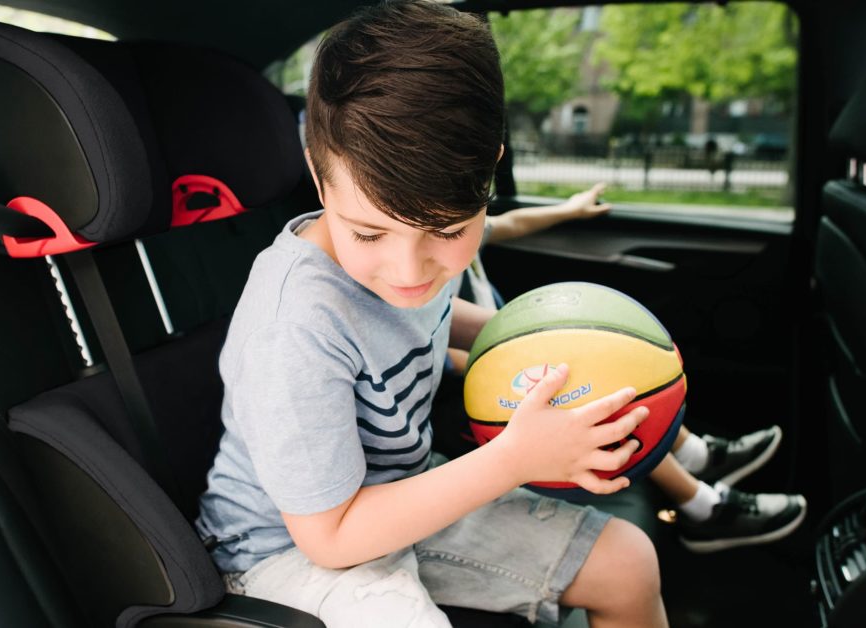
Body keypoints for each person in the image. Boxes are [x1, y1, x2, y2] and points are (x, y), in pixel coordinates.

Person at [196, 2, 665, 626]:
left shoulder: (403, 266)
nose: (410, 272)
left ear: (490, 168)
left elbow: (439, 314)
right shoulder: (295, 327)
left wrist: (538, 342)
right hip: (284, 550)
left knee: (628, 563)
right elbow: (328, 537)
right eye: (368, 235)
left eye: (447, 230)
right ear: (318, 172)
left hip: (399, 496)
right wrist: (516, 459)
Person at [445, 185, 807, 554]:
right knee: (605, 399)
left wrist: (568, 210)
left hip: (507, 360)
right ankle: (702, 508)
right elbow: (456, 362)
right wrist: (531, 354)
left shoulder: (460, 230)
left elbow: (510, 222)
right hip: (482, 399)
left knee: (612, 364)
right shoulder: (419, 272)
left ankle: (696, 454)